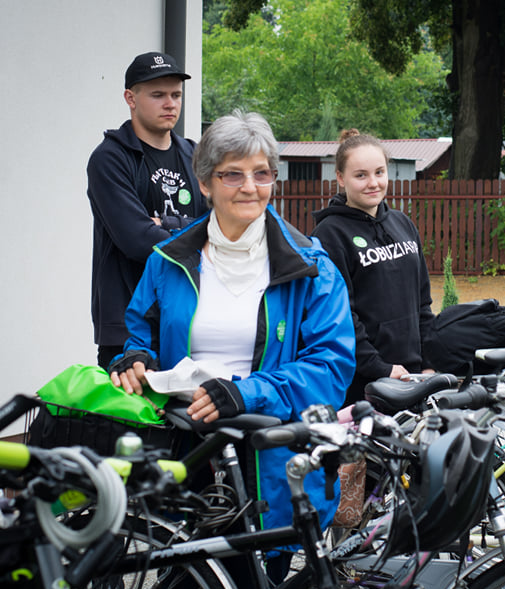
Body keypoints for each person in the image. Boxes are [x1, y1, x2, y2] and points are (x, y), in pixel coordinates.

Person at [109, 111, 356, 542]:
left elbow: (331, 370)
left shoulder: (313, 269)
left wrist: (244, 392)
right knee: (186, 583)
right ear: (204, 183)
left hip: (269, 454)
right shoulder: (166, 260)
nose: (249, 187)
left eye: (262, 174)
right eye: (233, 175)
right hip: (185, 448)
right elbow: (139, 331)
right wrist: (134, 357)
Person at [87, 52, 205, 369]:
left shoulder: (194, 155)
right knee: (131, 420)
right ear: (131, 98)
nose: (170, 104)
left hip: (187, 321)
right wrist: (194, 230)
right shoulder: (110, 159)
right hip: (127, 331)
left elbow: (221, 227)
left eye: (176, 95)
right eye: (158, 95)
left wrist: (165, 223)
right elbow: (138, 241)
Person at [311, 130, 435, 405]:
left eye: (379, 172)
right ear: (341, 178)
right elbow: (341, 317)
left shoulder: (403, 224)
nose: (373, 183)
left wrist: (430, 361)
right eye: (361, 175)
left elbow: (422, 304)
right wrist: (381, 369)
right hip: (365, 385)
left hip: (415, 377)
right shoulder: (329, 235)